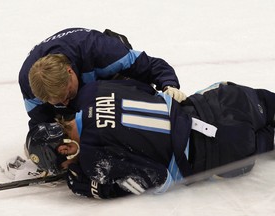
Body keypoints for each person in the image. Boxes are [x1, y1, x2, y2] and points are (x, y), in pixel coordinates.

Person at [25, 79, 275, 199]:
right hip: (225, 99)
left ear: (67, 148)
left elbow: (155, 177)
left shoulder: (93, 158)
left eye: (63, 165)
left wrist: (95, 187)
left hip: (226, 146)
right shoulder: (93, 91)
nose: (66, 169)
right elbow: (146, 90)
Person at [19, 27, 186, 129]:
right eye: (58, 102)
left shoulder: (103, 51)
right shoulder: (29, 83)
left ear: (70, 72)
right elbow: (40, 120)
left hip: (107, 74)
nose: (66, 102)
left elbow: (149, 65)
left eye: (68, 95)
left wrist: (168, 85)